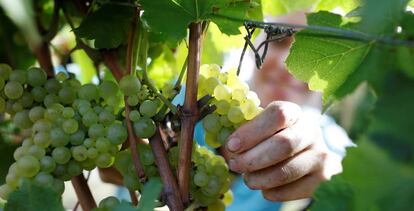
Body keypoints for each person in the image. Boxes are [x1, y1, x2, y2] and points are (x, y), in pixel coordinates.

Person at [210, 12, 355, 210]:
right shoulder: (188, 103)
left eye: (311, 53)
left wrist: (334, 181)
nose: (285, 65)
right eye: (278, 40)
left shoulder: (331, 141)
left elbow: (359, 180)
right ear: (254, 41)